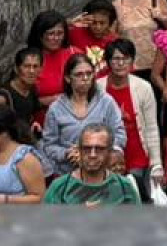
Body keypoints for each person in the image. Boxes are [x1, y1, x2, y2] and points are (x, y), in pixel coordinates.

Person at [36, 54, 126, 182]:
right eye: (79, 74)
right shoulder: (56, 109)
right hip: (68, 176)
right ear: (68, 78)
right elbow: (49, 145)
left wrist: (96, 151)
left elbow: (120, 134)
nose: (85, 78)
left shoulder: (106, 102)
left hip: (102, 174)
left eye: (89, 74)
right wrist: (67, 153)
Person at [100, 41, 163, 203]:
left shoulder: (143, 87)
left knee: (137, 196)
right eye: (115, 59)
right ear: (108, 62)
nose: (120, 63)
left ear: (132, 61)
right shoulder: (98, 87)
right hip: (108, 154)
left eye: (126, 58)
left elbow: (151, 127)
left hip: (137, 153)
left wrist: (156, 162)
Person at [41, 124, 140, 205]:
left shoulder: (124, 188)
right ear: (79, 150)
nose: (93, 155)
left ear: (109, 152)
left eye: (100, 149)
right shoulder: (59, 188)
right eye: (87, 149)